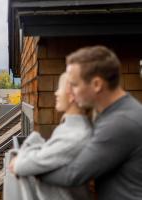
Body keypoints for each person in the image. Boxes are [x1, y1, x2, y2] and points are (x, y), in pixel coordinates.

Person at [38, 46, 142, 200]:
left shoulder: (120, 122)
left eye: (74, 84)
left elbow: (72, 174)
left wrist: (26, 167)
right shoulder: (115, 111)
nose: (70, 92)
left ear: (97, 84)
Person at [9, 73, 93, 200]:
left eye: (60, 88)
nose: (56, 93)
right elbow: (41, 157)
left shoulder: (76, 137)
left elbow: (22, 166)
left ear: (72, 96)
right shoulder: (67, 129)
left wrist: (28, 151)